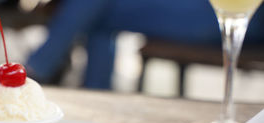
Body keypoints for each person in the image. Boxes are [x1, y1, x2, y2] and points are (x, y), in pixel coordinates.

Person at [26, 0, 264, 89]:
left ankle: (35, 72)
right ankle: (94, 92)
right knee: (98, 16)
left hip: (231, 15)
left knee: (95, 10)